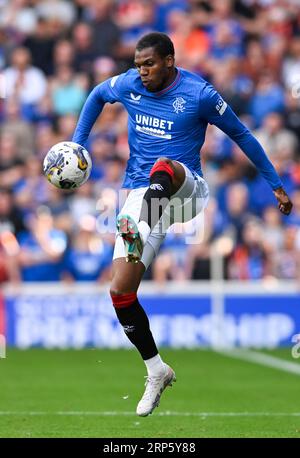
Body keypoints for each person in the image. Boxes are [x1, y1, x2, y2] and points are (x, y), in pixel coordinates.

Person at [72, 32, 293, 417]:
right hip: (138, 201)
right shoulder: (128, 84)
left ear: (170, 61)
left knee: (163, 166)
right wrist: (77, 145)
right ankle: (156, 370)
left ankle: (144, 218)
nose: (141, 72)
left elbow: (241, 135)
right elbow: (95, 96)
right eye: (138, 65)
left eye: (149, 65)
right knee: (120, 291)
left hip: (186, 190)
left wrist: (276, 184)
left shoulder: (200, 94)